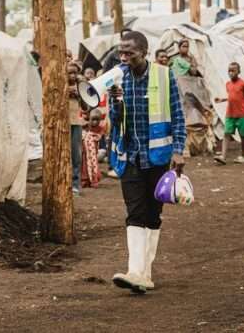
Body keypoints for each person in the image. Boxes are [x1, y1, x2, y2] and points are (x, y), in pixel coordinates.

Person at [109, 31, 186, 294]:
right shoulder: (118, 78)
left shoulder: (164, 75)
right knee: (135, 213)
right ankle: (134, 271)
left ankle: (145, 274)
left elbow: (177, 114)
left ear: (144, 51)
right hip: (128, 156)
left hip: (158, 157)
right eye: (121, 51)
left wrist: (178, 150)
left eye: (129, 52)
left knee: (153, 215)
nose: (123, 56)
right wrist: (115, 102)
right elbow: (115, 120)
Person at [213, 62, 244, 164]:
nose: (231, 73)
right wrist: (222, 99)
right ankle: (223, 156)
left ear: (239, 71)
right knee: (226, 134)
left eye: (233, 71)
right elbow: (231, 96)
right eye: (229, 71)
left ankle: (243, 156)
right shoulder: (228, 84)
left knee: (242, 135)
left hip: (241, 114)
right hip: (230, 114)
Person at [67, 62, 85, 195]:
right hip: (62, 124)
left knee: (76, 155)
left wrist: (79, 95)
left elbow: (86, 107)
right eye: (69, 72)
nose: (72, 75)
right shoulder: (59, 85)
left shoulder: (80, 87)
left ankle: (75, 185)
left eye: (75, 73)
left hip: (76, 123)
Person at [81, 107, 106, 188]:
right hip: (85, 150)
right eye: (93, 119)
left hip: (93, 151)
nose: (95, 122)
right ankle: (85, 180)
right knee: (84, 164)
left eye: (97, 120)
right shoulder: (86, 126)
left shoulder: (100, 128)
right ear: (90, 119)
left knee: (93, 164)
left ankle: (94, 179)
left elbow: (99, 136)